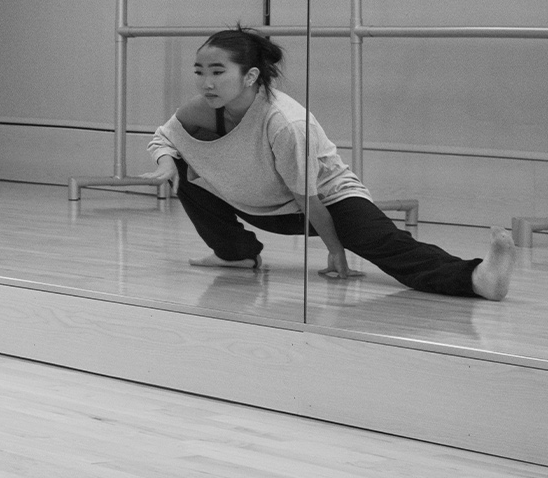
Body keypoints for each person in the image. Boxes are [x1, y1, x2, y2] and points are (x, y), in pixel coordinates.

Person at [139, 26, 513, 300]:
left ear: (250, 76)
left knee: (387, 245)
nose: (206, 82)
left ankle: (477, 278)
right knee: (183, 176)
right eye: (200, 71)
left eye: (217, 72)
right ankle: (235, 255)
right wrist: (166, 162)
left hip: (325, 201)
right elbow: (165, 137)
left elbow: (309, 199)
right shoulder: (200, 110)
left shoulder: (284, 123)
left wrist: (336, 250)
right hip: (257, 201)